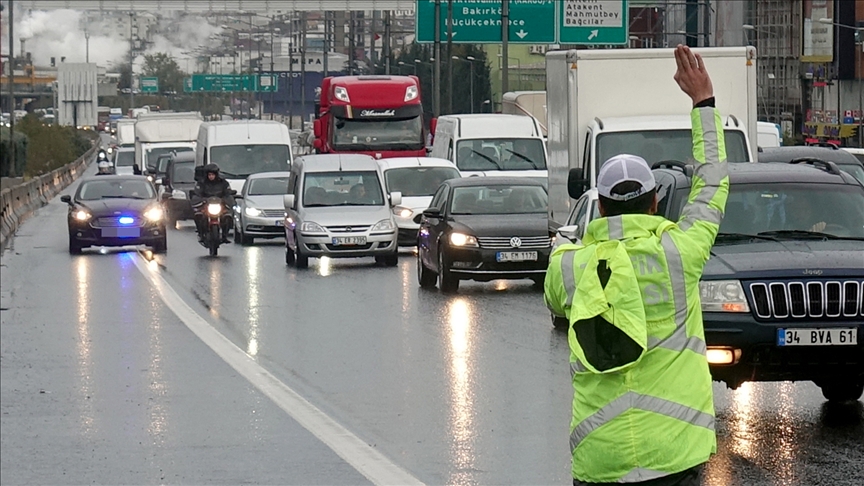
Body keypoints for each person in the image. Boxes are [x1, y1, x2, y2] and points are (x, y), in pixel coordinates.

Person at [544, 45, 727, 486]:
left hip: (601, 457)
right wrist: (703, 104)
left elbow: (556, 286)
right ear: (656, 200)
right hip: (675, 453)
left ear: (601, 208)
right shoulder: (680, 252)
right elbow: (712, 183)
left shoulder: (568, 268)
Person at [191, 163, 234, 243]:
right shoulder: (201, 183)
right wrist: (200, 199)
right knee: (198, 215)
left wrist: (227, 199)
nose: (211, 176)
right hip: (205, 205)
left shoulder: (223, 182)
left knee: (228, 216)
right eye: (209, 174)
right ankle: (201, 234)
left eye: (213, 174)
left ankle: (225, 235)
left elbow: (228, 193)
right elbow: (197, 193)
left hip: (220, 205)